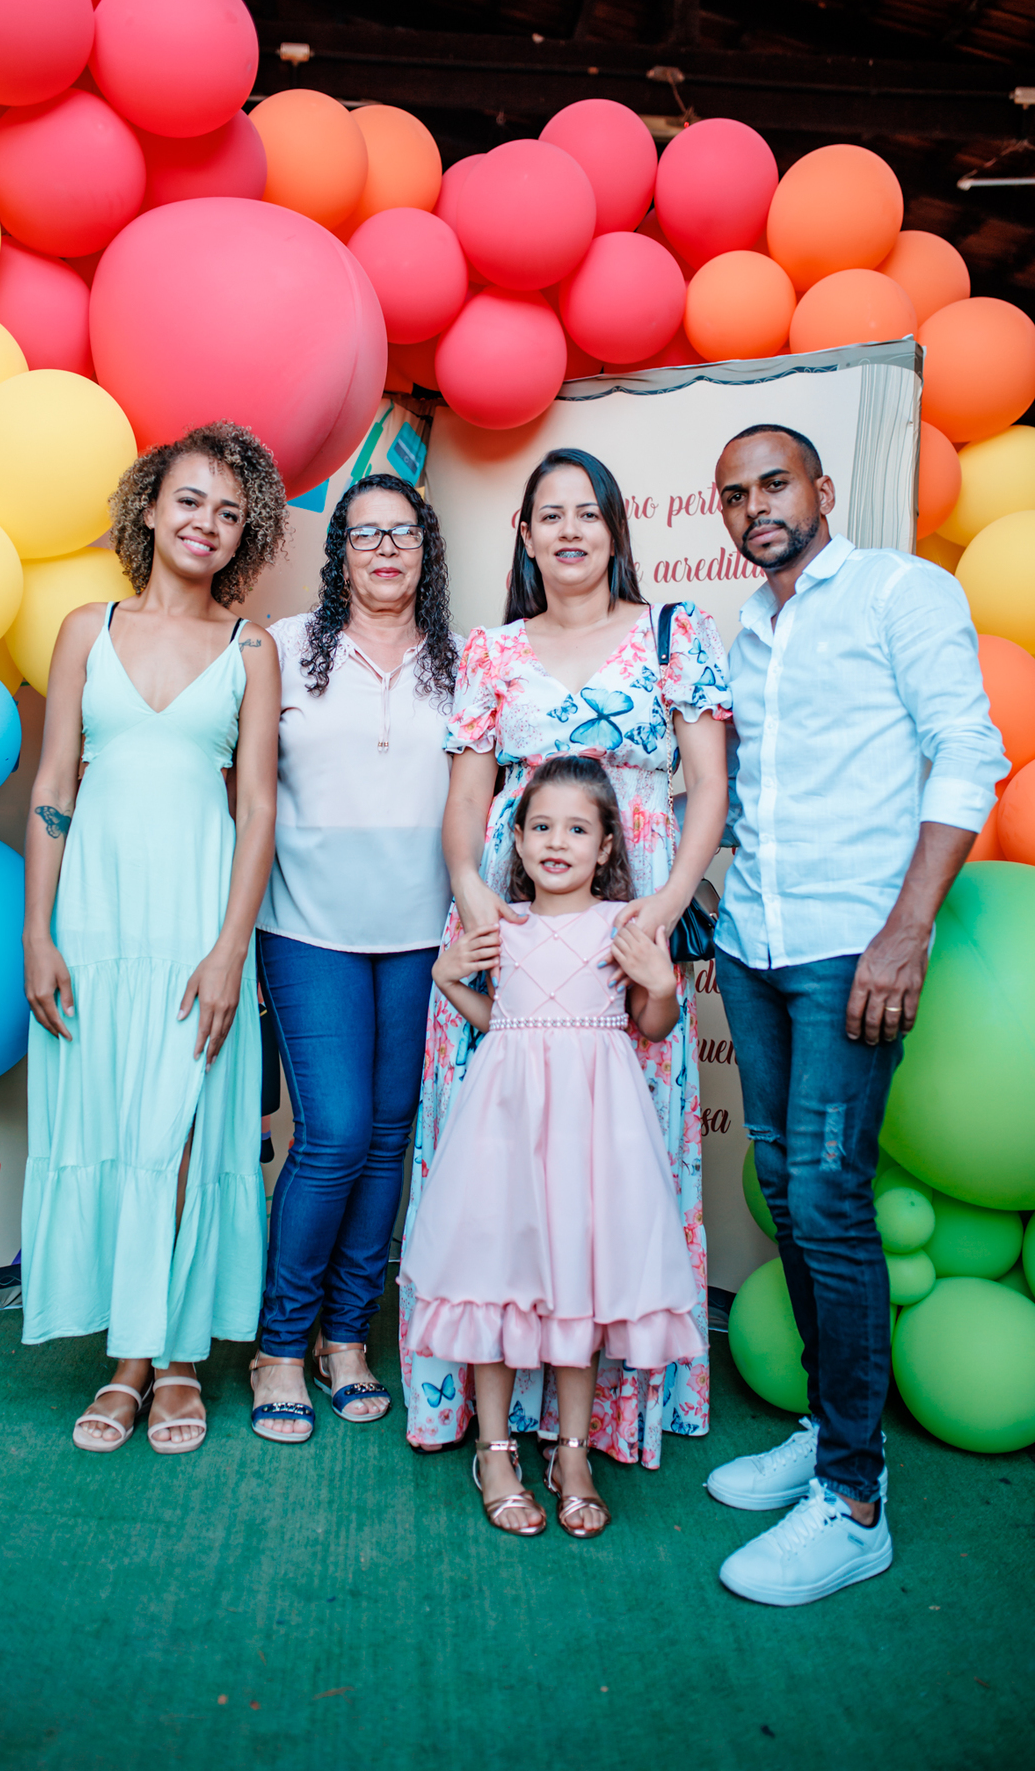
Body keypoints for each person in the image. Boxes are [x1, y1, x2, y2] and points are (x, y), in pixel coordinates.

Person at [706, 422, 1007, 1604]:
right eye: (735, 495)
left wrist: (906, 930)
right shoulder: (748, 629)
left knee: (830, 1205)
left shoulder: (899, 590)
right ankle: (829, 1432)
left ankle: (854, 1500)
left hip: (851, 949)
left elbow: (967, 754)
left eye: (773, 484)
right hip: (753, 945)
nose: (755, 508)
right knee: (790, 1193)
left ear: (822, 489)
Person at [400, 446, 732, 1464]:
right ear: (527, 535)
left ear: (615, 528)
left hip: (630, 912)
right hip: (513, 912)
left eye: (588, 513)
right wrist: (472, 893)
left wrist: (661, 910)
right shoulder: (492, 652)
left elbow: (709, 787)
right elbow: (466, 799)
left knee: (617, 1147)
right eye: (551, 514)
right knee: (495, 1150)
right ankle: (486, 1410)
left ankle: (598, 1418)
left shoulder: (674, 632)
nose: (571, 530)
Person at [21, 422, 285, 1457]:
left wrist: (230, 950)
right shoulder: (85, 629)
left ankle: (175, 1360)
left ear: (245, 535)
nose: (206, 523)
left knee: (179, 1134)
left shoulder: (251, 648)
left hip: (196, 922)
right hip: (96, 918)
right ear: (148, 506)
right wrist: (37, 934)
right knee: (118, 1129)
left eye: (230, 512)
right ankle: (129, 1358)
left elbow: (256, 809)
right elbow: (54, 786)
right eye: (190, 500)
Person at [402, 757, 705, 1536]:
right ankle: (495, 1451)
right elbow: (503, 1023)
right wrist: (447, 978)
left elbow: (652, 1026)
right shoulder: (501, 925)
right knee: (493, 1277)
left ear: (606, 847)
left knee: (581, 1284)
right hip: (504, 1127)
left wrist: (661, 986)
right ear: (517, 838)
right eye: (541, 827)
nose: (556, 842)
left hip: (593, 1132)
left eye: (576, 829)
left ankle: (572, 1456)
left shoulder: (625, 923)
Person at [250, 474, 462, 1443]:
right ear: (338, 552)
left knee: (386, 1138)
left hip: (425, 935)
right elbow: (244, 789)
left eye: (402, 532)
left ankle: (345, 1337)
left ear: (427, 549)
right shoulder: (285, 647)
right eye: (365, 534)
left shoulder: (463, 660)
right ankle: (279, 1345)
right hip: (308, 927)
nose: (385, 549)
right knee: (332, 1135)